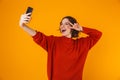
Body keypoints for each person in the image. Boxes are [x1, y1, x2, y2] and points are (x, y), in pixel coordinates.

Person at [19, 12, 102, 80]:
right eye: (61, 24)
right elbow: (38, 36)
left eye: (66, 23)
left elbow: (98, 34)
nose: (62, 26)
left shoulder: (82, 44)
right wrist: (23, 25)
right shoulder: (53, 42)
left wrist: (81, 28)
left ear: (73, 27)